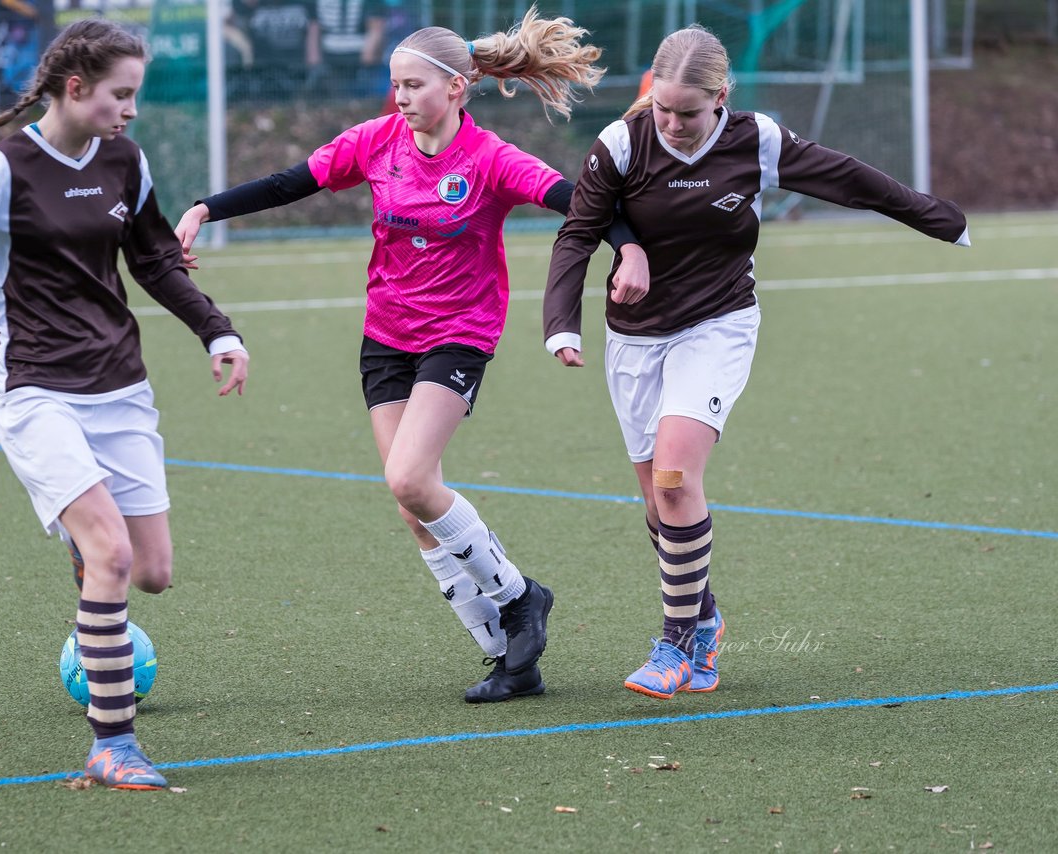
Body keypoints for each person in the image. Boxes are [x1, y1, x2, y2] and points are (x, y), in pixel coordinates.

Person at [176, 7, 627, 703]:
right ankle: (510, 658)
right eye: (397, 85)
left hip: (460, 333)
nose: (402, 98)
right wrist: (206, 207)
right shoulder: (375, 141)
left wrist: (630, 244)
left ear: (457, 89)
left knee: (413, 479)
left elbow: (578, 201)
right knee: (411, 507)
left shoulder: (490, 160)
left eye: (415, 85)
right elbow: (289, 183)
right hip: (386, 335)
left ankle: (520, 596)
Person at [543, 24, 969, 700]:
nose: (675, 125)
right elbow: (578, 233)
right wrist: (560, 325)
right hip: (634, 338)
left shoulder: (756, 141)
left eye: (690, 112)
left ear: (720, 97)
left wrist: (934, 216)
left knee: (678, 480)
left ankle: (675, 645)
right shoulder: (623, 144)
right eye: (663, 109)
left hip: (718, 325)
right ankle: (704, 622)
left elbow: (848, 178)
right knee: (660, 507)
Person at [0, 18, 250, 789]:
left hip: (119, 388)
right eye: (121, 94)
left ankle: (94, 573)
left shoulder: (123, 159)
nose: (132, 109)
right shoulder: (2, 167)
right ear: (75, 88)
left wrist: (217, 331)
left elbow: (154, 259)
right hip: (36, 391)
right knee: (112, 555)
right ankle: (113, 747)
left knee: (150, 571)